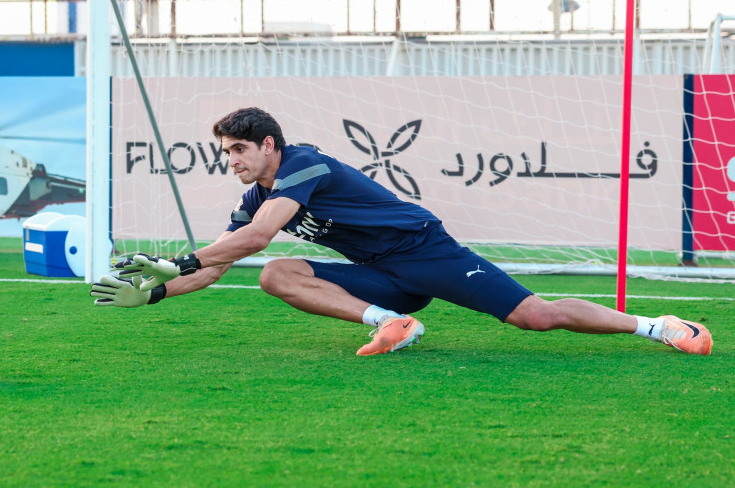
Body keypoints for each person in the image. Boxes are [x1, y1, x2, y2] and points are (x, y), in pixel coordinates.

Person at [92, 107, 713, 356]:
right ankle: (392, 323)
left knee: (536, 316)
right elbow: (220, 266)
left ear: (268, 144)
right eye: (226, 154)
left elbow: (251, 240)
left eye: (237, 150)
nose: (231, 161)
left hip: (426, 253)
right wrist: (156, 291)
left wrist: (177, 258)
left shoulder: (304, 162)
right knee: (280, 276)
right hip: (380, 279)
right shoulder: (255, 195)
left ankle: (660, 327)